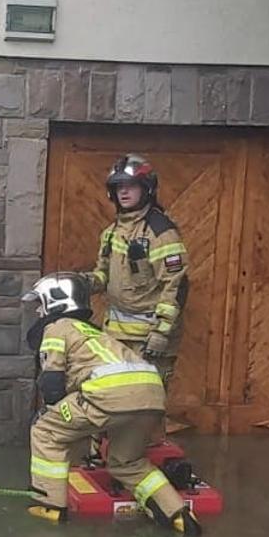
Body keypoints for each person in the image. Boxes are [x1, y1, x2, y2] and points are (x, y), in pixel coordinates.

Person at [24, 273, 203, 537]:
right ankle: (177, 514)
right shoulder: (94, 332)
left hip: (107, 395)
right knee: (127, 462)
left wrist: (58, 411)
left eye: (40, 304)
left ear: (55, 301)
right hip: (150, 398)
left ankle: (50, 504)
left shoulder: (58, 327)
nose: (38, 312)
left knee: (46, 430)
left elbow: (52, 384)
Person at [85, 154, 187, 384]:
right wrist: (85, 283)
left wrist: (161, 332)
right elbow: (103, 274)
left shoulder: (161, 233)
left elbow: (176, 285)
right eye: (118, 186)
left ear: (146, 188)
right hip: (115, 336)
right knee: (116, 396)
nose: (123, 192)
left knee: (146, 399)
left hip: (149, 340)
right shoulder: (112, 232)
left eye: (131, 186)